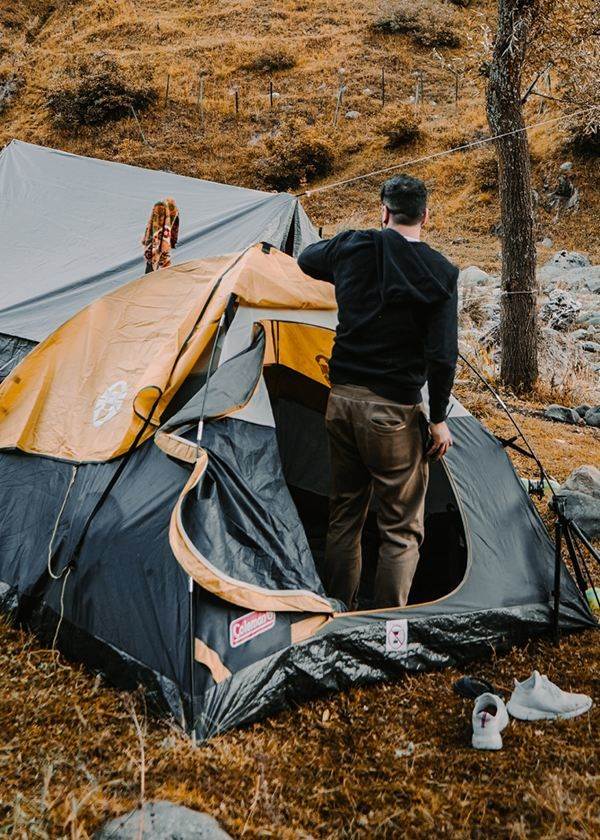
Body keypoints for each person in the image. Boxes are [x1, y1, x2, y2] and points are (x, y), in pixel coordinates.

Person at [297, 174, 458, 610]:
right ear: (426, 216)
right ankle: (387, 628)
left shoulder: (354, 245)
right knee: (400, 529)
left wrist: (352, 257)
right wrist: (438, 419)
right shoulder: (441, 272)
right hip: (393, 413)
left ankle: (338, 611)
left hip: (341, 402)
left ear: (383, 212)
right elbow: (443, 356)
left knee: (344, 515)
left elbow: (307, 259)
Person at [142, 198, 180, 273]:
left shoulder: (164, 210)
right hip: (155, 248)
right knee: (153, 266)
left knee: (153, 265)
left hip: (155, 248)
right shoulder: (161, 209)